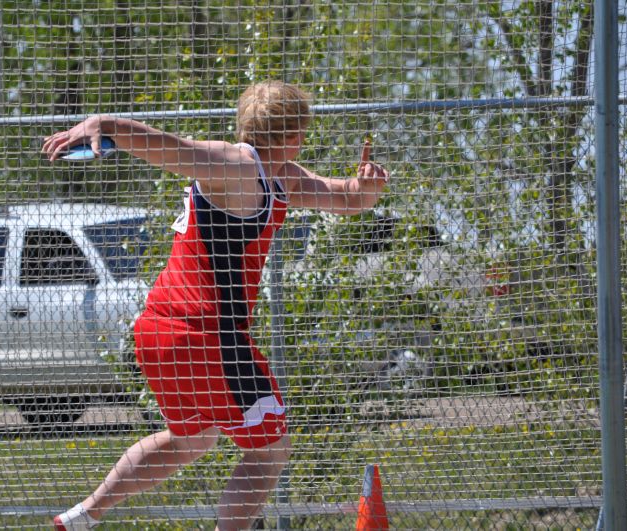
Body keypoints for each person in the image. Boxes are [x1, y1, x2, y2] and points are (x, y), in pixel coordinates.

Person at [42, 80, 389, 531]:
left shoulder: (277, 174)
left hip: (157, 333)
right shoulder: (240, 165)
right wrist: (103, 124)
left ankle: (84, 514)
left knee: (192, 441)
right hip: (205, 334)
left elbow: (346, 199)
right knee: (270, 451)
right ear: (294, 134)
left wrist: (367, 187)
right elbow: (172, 149)